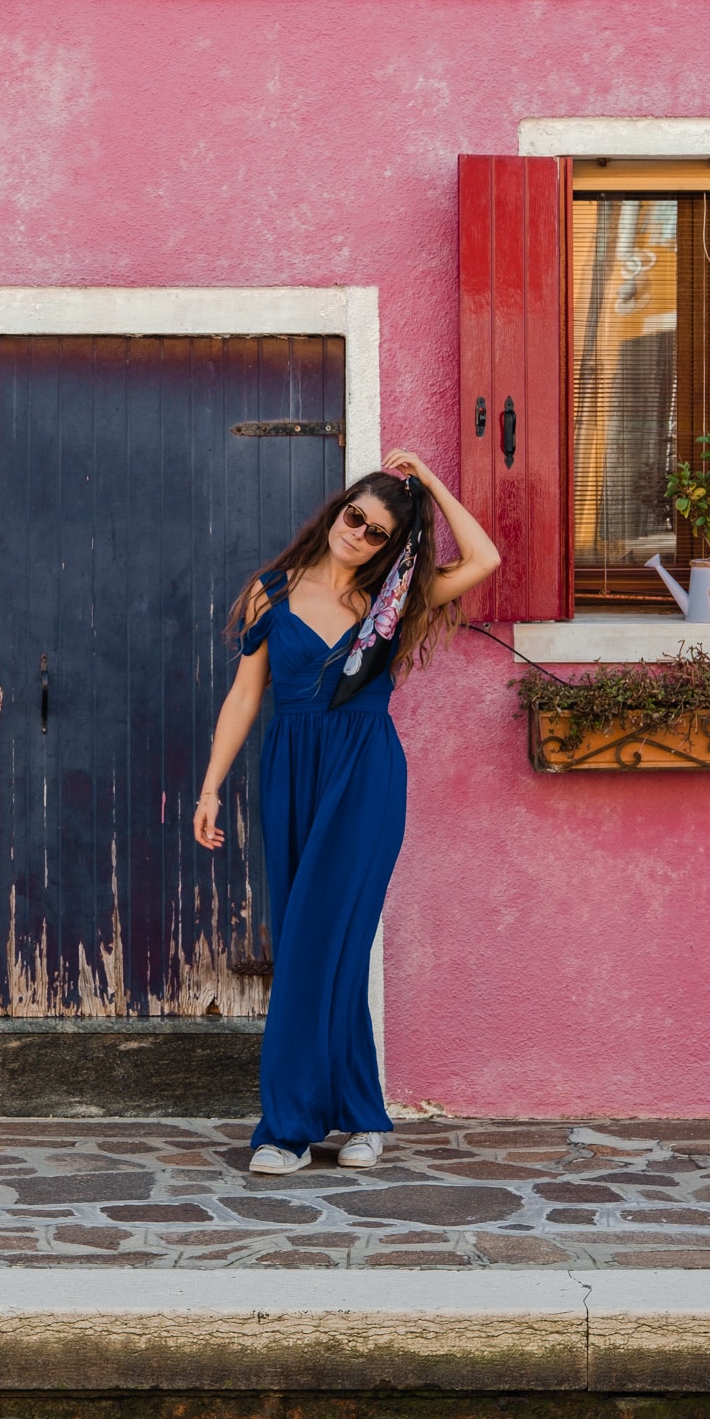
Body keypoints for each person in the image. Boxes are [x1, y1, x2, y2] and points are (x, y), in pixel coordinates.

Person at [193, 450, 499, 1174]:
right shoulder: (273, 592)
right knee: (315, 944)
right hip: (291, 774)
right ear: (337, 511)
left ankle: (287, 1130)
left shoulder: (396, 603)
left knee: (323, 943)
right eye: (353, 516)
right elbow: (245, 697)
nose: (357, 533)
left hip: (364, 776)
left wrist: (428, 480)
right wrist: (210, 787)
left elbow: (483, 557)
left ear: (392, 546)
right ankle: (361, 1115)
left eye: (377, 532)